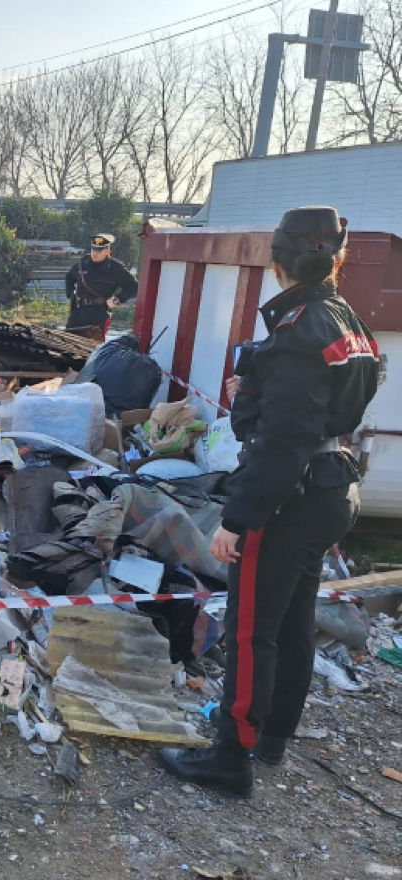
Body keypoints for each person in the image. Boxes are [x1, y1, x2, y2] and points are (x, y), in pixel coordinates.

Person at [160, 206, 380, 797]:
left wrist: (239, 518)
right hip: (333, 485)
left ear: (277, 261)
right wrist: (251, 392)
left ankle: (231, 757)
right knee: (291, 627)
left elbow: (283, 441)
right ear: (336, 259)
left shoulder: (296, 332)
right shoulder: (345, 320)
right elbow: (326, 408)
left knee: (253, 629)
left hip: (290, 494)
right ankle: (273, 736)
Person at [64, 233, 138, 333]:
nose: (95, 253)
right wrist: (70, 294)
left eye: (99, 250)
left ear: (107, 251)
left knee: (94, 345)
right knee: (68, 341)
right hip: (78, 311)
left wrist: (118, 299)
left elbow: (133, 287)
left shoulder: (116, 269)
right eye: (93, 249)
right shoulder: (82, 264)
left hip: (99, 313)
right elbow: (69, 277)